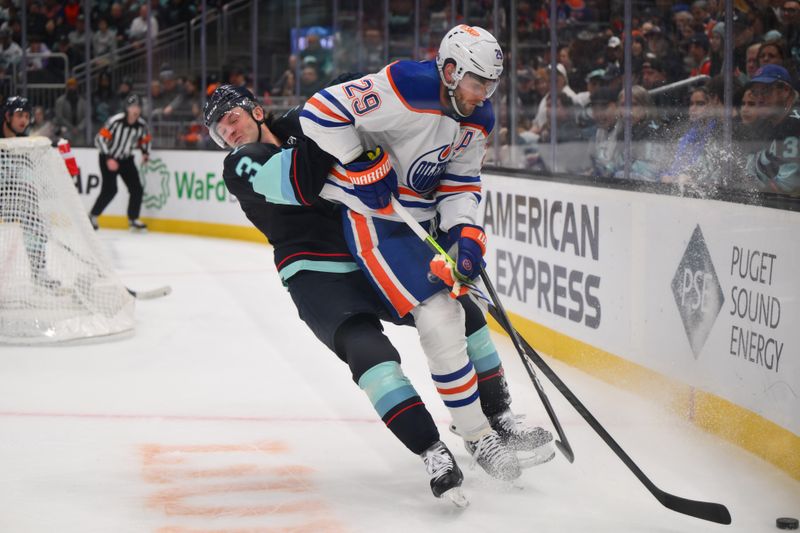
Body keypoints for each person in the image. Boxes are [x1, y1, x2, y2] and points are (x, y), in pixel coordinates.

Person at [204, 84, 548, 505]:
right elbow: (305, 181)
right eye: (219, 130)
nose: (228, 132)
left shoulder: (304, 121)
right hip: (316, 273)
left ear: (256, 111)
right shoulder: (240, 163)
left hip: (367, 250)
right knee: (371, 357)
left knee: (463, 313)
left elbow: (377, 126)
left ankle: (497, 419)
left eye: (232, 118)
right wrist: (342, 135)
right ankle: (431, 450)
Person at [301, 25, 553, 481]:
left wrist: (466, 232)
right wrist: (357, 160)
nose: (484, 95)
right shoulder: (404, 85)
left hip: (426, 224)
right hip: (375, 221)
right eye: (478, 83)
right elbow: (318, 112)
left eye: (492, 85)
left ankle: (493, 420)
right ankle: (479, 437)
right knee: (440, 316)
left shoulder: (479, 117)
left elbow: (459, 181)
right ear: (451, 71)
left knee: (464, 315)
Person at [0, 96, 60, 289]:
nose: (24, 120)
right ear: (8, 116)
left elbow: (25, 173)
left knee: (35, 220)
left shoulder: (25, 142)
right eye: (19, 115)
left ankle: (38, 271)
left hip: (8, 195)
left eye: (26, 116)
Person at [89, 94, 151, 231]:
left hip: (126, 159)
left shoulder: (141, 125)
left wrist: (145, 153)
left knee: (137, 189)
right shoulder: (115, 121)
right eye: (133, 107)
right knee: (110, 190)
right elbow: (99, 139)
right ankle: (92, 216)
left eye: (138, 107)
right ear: (127, 108)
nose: (136, 110)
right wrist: (109, 158)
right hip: (108, 157)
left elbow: (145, 140)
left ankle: (133, 219)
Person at [745, 64, 800, 194]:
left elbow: (788, 185)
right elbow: (748, 172)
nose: (759, 98)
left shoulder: (794, 123)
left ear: (785, 91)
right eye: (755, 92)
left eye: (766, 91)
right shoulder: (762, 124)